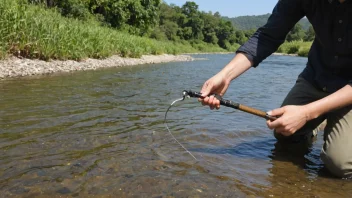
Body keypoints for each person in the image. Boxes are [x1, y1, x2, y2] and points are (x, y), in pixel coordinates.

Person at [199, 0, 352, 178]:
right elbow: (268, 36)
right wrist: (225, 75)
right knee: (284, 131)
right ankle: (311, 131)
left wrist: (307, 113)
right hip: (317, 76)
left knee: (340, 165)